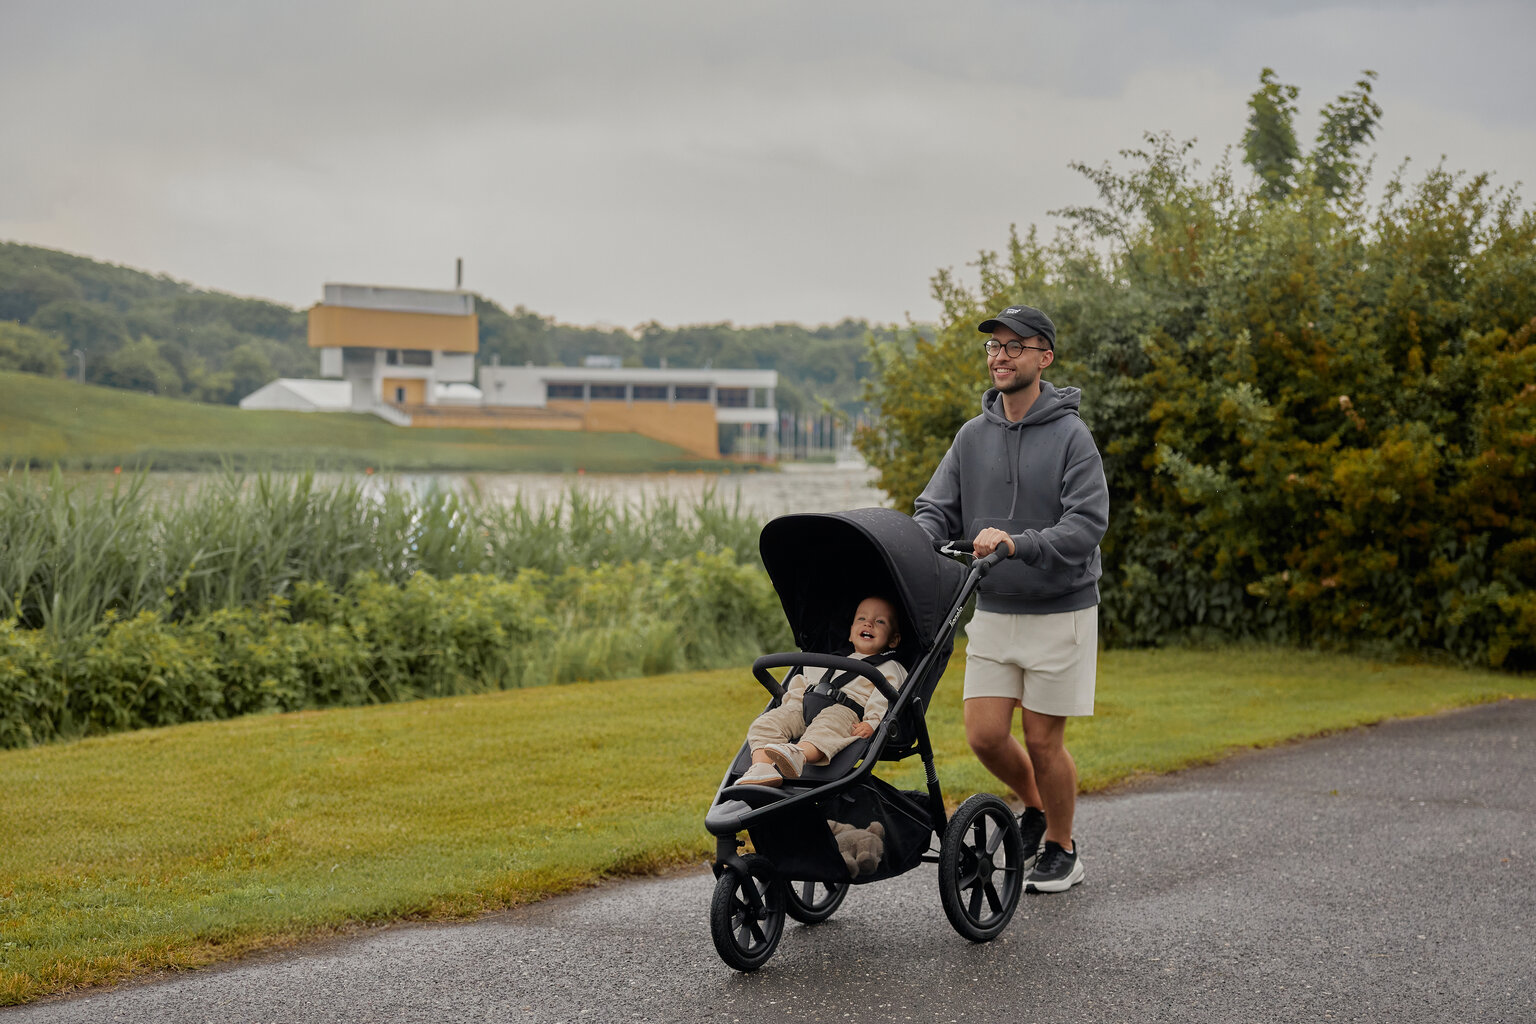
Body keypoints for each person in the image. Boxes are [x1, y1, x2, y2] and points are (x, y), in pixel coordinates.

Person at [912, 304, 1108, 893]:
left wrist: (1017, 544)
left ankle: (1063, 848)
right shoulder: (972, 436)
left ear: (1044, 357)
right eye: (994, 347)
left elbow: (1087, 524)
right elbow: (934, 509)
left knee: (1044, 742)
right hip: (994, 609)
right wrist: (914, 546)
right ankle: (1035, 806)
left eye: (1015, 346)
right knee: (985, 734)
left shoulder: (1072, 436)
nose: (1000, 356)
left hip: (1062, 612)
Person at [738, 596, 908, 786]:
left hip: (845, 711)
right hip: (804, 705)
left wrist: (873, 721)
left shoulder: (890, 667)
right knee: (766, 723)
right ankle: (762, 767)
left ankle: (799, 755)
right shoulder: (828, 660)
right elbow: (803, 682)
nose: (868, 623)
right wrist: (790, 706)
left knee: (827, 728)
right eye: (861, 619)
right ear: (851, 633)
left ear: (894, 640)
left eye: (880, 621)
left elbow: (885, 696)